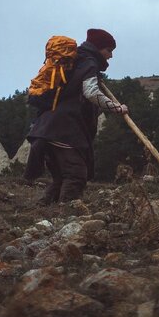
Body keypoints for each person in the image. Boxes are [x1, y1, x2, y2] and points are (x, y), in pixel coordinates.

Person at [25, 29, 128, 204]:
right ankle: (67, 213)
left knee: (60, 177)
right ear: (98, 48)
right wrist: (117, 108)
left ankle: (43, 210)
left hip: (46, 128)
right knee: (76, 175)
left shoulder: (75, 61)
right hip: (64, 130)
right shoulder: (89, 63)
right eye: (109, 50)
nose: (110, 56)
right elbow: (91, 93)